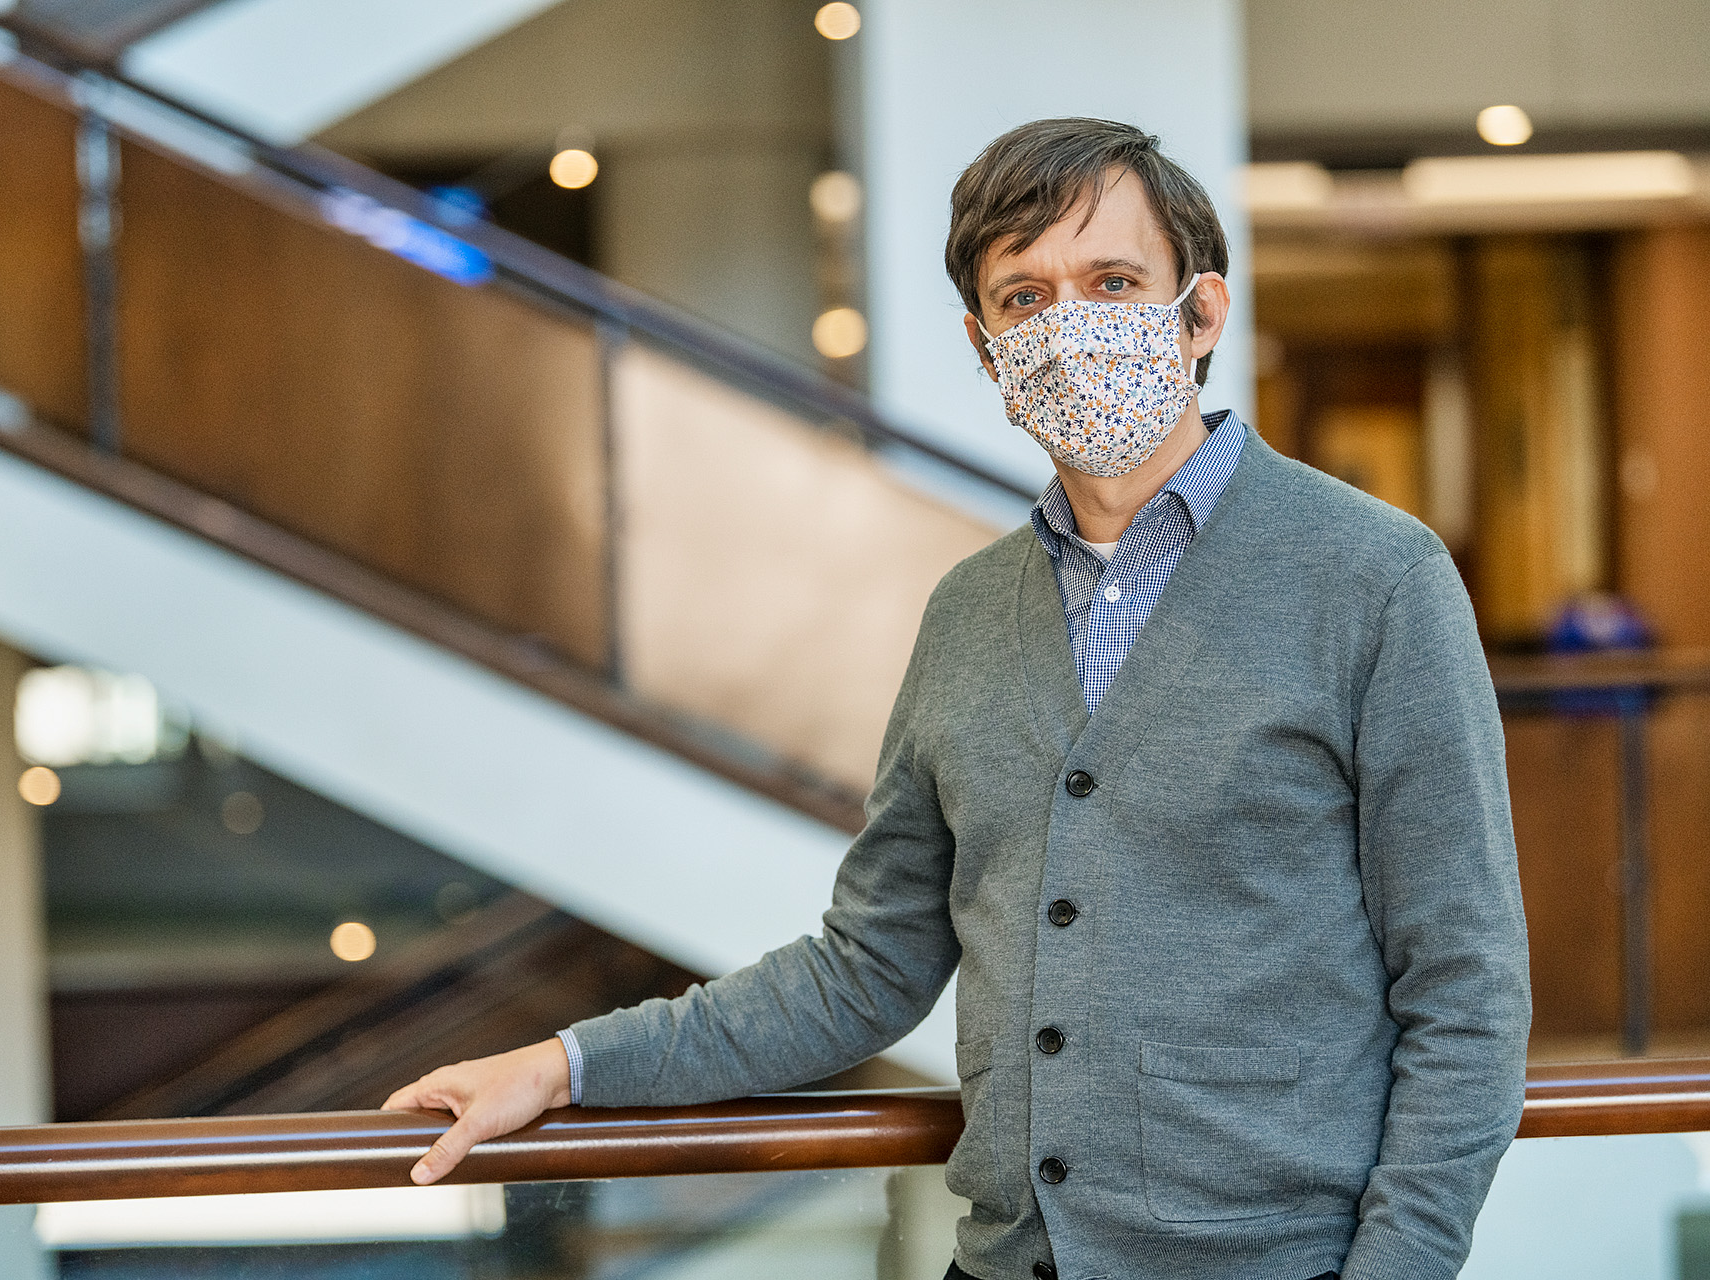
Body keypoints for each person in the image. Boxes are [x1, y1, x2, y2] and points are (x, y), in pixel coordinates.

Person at [384, 118, 1531, 1280]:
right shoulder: (967, 615)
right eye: (1024, 299)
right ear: (989, 354)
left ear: (1201, 315)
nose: (1070, 324)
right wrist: (570, 1064)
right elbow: (865, 966)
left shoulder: (1377, 580)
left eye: (1114, 281)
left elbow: (1467, 991)